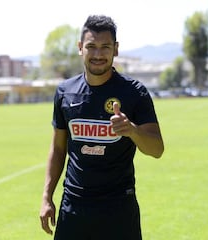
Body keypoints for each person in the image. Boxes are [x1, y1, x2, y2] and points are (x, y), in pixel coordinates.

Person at [39, 15, 164, 240]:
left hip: (118, 207)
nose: (98, 54)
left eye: (105, 47)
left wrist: (132, 130)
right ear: (80, 48)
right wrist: (47, 196)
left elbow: (157, 149)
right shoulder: (65, 92)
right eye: (91, 47)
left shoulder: (134, 92)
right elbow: (58, 149)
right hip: (74, 207)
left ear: (116, 49)